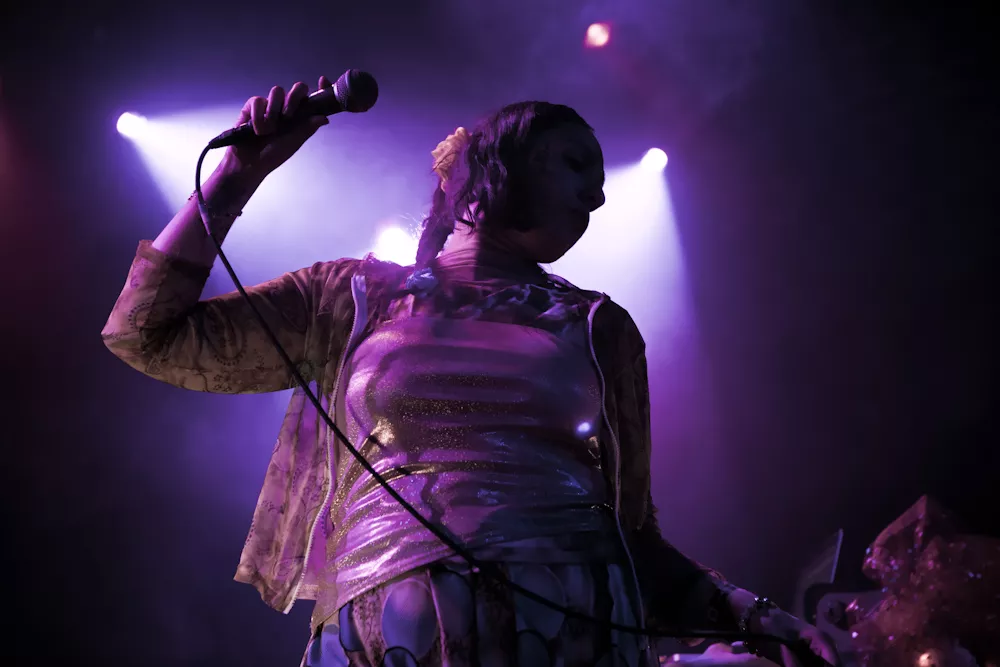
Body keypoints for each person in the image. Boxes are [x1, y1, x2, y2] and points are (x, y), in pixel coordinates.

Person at [102, 76, 841, 667]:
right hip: (389, 635)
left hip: (574, 632)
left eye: (598, 177)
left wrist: (756, 615)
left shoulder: (598, 325)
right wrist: (235, 176)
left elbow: (632, 535)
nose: (598, 194)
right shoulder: (350, 297)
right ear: (496, 166)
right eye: (575, 164)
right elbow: (146, 334)